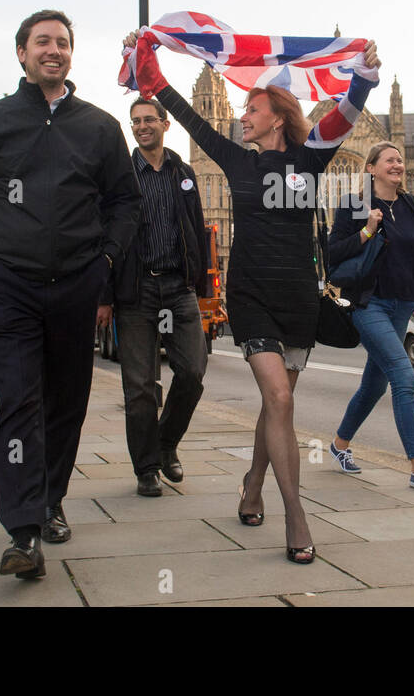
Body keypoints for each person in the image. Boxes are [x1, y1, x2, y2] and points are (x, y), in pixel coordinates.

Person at [125, 30, 379, 563]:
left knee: (276, 404)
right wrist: (148, 63)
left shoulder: (312, 158)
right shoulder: (237, 161)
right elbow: (185, 115)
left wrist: (364, 75)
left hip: (298, 298)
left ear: (278, 118)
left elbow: (347, 113)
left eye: (252, 108)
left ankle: (254, 482)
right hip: (250, 293)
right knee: (280, 399)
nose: (242, 116)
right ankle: (296, 514)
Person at [0, 10, 141, 579]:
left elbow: (123, 202)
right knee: (20, 403)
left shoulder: (101, 127)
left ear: (71, 55)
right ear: (21, 54)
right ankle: (24, 529)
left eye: (62, 43)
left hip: (77, 284)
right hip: (9, 287)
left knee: (66, 402)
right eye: (42, 42)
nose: (52, 50)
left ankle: (51, 496)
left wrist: (105, 259)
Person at [326, 142, 414, 490]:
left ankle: (338, 445)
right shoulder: (353, 204)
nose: (398, 165)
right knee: (401, 375)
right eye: (390, 160)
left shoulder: (409, 204)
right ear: (372, 168)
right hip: (368, 304)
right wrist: (366, 231)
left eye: (400, 160)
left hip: (402, 303)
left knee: (374, 384)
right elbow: (333, 252)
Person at [108, 96, 209, 497]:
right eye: (135, 121)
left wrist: (198, 281)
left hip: (177, 287)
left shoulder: (183, 172)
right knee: (140, 386)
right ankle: (146, 468)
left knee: (193, 372)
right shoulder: (120, 175)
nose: (142, 126)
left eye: (149, 119)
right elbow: (108, 234)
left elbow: (196, 226)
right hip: (136, 289)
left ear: (166, 124)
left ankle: (166, 442)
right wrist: (105, 293)